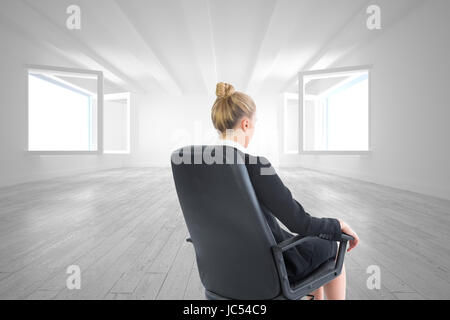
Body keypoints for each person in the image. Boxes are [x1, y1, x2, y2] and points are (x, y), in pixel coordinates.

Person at [211, 82, 359, 300]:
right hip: (272, 265)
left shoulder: (202, 168)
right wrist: (338, 226)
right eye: (254, 124)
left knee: (313, 253)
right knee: (332, 249)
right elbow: (300, 223)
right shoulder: (255, 166)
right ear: (245, 124)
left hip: (225, 266)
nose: (253, 129)